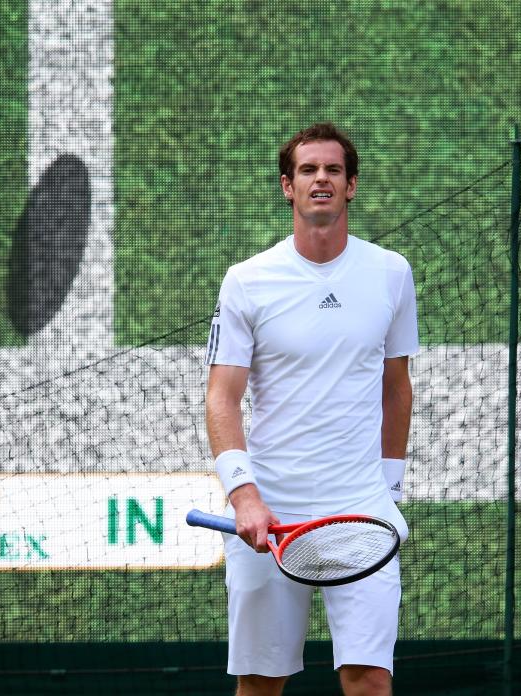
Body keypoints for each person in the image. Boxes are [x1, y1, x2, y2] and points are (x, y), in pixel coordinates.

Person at [205, 122, 418, 696]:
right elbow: (222, 397)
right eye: (307, 170)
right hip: (269, 514)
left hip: (361, 512)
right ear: (287, 187)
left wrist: (388, 488)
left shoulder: (392, 274)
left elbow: (396, 387)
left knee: (370, 680)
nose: (320, 178)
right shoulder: (247, 281)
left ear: (351, 186)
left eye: (332, 170)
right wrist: (243, 494)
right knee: (260, 684)